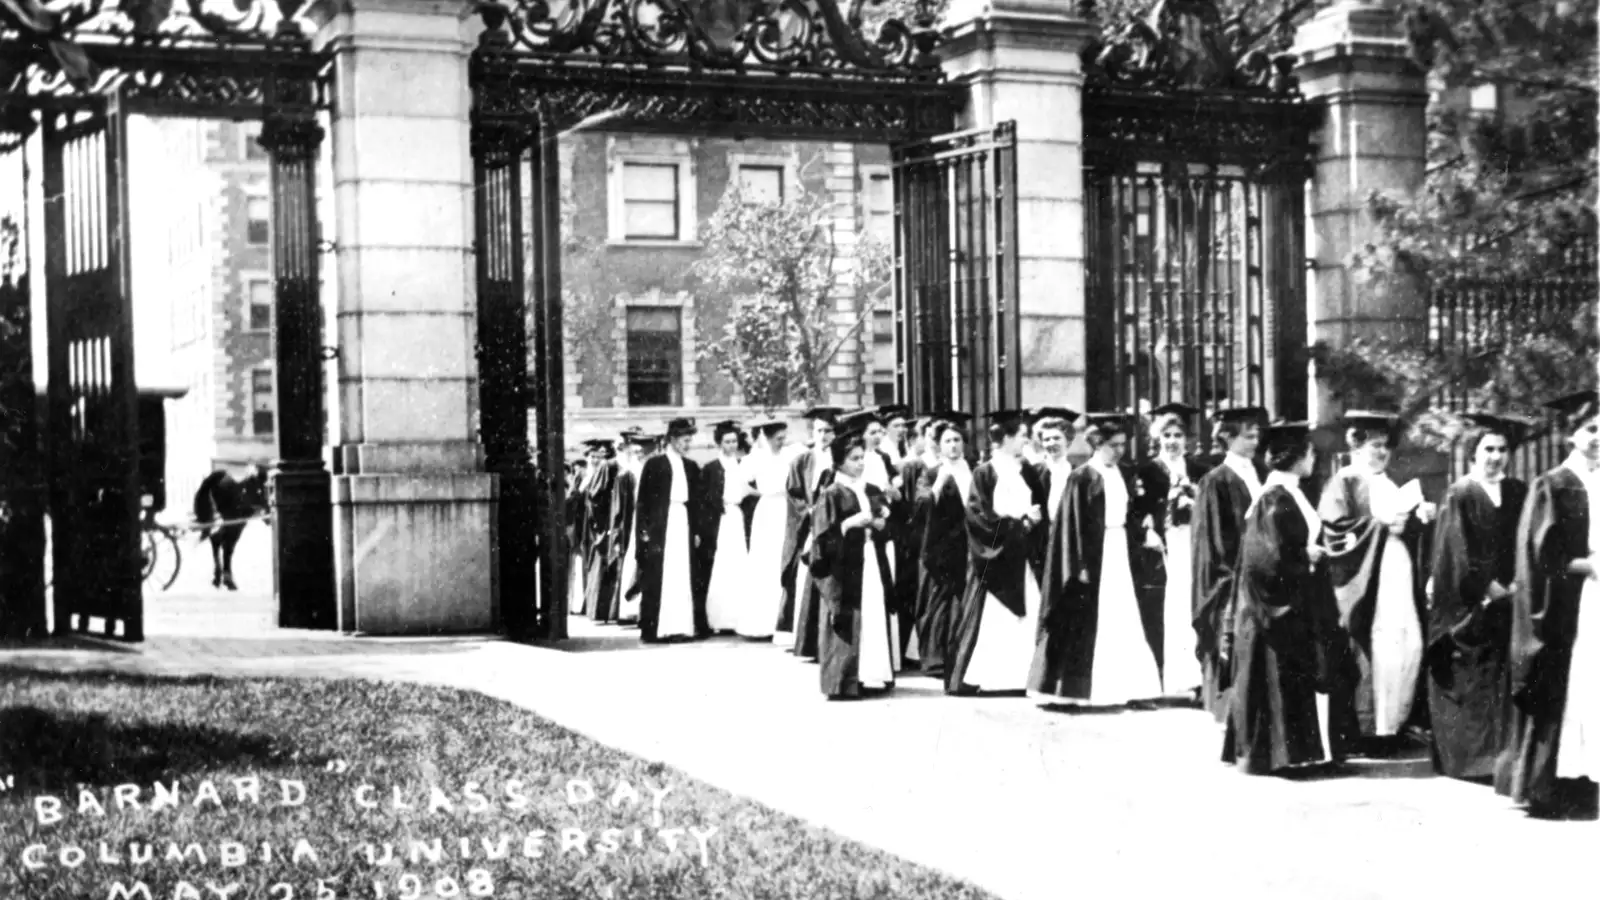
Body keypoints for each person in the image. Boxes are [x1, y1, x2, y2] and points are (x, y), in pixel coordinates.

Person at [1497, 389, 1600, 816]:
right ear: (1570, 436)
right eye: (1590, 429)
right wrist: (1589, 566)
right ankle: (1557, 781)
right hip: (1570, 604)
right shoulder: (1553, 484)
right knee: (1572, 685)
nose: (1598, 438)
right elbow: (1542, 557)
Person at [1320, 411, 1438, 756]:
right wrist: (1379, 525)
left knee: (1409, 644)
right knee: (1379, 649)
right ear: (1355, 446)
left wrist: (1419, 520)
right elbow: (1334, 532)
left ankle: (1398, 723)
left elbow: (1406, 528)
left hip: (1398, 572)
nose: (1382, 452)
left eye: (1386, 445)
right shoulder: (1344, 481)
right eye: (1374, 445)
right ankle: (1372, 730)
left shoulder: (1388, 482)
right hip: (1367, 581)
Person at [1222, 421, 1336, 775]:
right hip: (1273, 609)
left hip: (1292, 601)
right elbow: (1265, 560)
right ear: (1297, 457)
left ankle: (1291, 755)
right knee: (1273, 679)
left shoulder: (1291, 492)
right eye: (1310, 453)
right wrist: (1307, 557)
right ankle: (1273, 757)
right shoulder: (1273, 498)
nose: (1314, 459)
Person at [1030, 413, 1165, 707]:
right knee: (1088, 621)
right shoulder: (1082, 478)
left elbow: (1130, 514)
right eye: (1113, 445)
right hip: (1092, 557)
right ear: (1097, 444)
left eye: (1122, 445)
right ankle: (1071, 693)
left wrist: (1144, 532)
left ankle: (1134, 689)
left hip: (1119, 552)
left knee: (1124, 616)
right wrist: (1078, 567)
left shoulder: (1123, 473)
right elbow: (1071, 528)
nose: (1119, 451)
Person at [1427, 413, 1532, 781]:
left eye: (1502, 450)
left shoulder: (1519, 491)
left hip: (1511, 598)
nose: (1495, 457)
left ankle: (1500, 758)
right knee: (1471, 678)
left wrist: (1518, 582)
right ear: (1474, 453)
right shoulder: (1460, 494)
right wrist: (1488, 587)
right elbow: (1456, 552)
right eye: (1488, 449)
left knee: (1503, 677)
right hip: (1472, 604)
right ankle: (1469, 762)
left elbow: (1527, 541)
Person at [947, 409, 1047, 695]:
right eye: (1022, 436)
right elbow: (979, 518)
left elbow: (1040, 509)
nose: (1026, 441)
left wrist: (1034, 521)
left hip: (1023, 558)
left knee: (1028, 615)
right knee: (994, 619)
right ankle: (993, 678)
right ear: (1005, 438)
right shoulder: (985, 473)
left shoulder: (1027, 470)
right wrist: (1020, 523)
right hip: (996, 557)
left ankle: (1024, 677)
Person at [1191, 406, 1268, 723]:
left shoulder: (1261, 473)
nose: (1255, 441)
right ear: (1227, 437)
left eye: (1256, 435)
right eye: (1248, 436)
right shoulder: (1216, 481)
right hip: (1232, 577)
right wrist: (1229, 580)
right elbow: (1214, 542)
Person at [814, 414, 898, 698]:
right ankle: (844, 679)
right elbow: (823, 538)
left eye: (862, 457)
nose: (861, 463)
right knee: (849, 617)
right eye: (854, 459)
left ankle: (871, 675)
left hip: (868, 557)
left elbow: (884, 525)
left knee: (872, 613)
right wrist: (851, 523)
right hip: (845, 565)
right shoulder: (832, 493)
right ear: (839, 462)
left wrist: (878, 524)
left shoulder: (866, 489)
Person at [1137, 402, 1211, 698]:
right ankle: (1172, 678)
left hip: (1193, 542)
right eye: (1166, 435)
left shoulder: (1198, 470)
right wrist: (1148, 531)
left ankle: (1197, 676)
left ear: (1187, 439)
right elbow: (1138, 510)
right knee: (1168, 606)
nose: (1172, 441)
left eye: (1178, 435)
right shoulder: (1148, 471)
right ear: (1157, 438)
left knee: (1192, 603)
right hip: (1163, 546)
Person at [780, 406, 842, 657]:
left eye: (829, 431)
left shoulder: (841, 458)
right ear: (812, 432)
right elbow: (794, 493)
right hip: (811, 525)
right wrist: (811, 511)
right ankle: (808, 640)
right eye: (819, 431)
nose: (824, 436)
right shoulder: (803, 460)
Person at [636, 418, 704, 643]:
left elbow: (696, 503)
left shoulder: (691, 467)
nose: (687, 444)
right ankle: (657, 628)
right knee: (660, 574)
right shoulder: (655, 464)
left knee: (682, 573)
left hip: (683, 522)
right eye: (684, 440)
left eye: (689, 440)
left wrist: (696, 531)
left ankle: (682, 627)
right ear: (673, 439)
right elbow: (643, 501)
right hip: (660, 526)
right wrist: (644, 530)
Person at [916, 416, 973, 680]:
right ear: (939, 446)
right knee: (937, 604)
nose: (953, 445)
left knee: (963, 601)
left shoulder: (973, 469)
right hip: (939, 547)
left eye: (957, 440)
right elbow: (920, 505)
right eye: (947, 441)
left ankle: (959, 655)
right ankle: (935, 660)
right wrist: (938, 484)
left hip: (968, 543)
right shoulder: (930, 472)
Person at [859, 411, 906, 669]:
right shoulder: (858, 461)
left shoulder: (883, 458)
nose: (877, 437)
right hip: (871, 524)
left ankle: (891, 656)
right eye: (872, 432)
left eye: (879, 432)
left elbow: (894, 491)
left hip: (887, 524)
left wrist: (894, 494)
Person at [737, 416, 791, 640]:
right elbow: (741, 483)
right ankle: (761, 622)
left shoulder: (789, 456)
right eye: (778, 438)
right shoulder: (754, 459)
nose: (782, 442)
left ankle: (782, 620)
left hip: (786, 510)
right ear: (766, 438)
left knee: (782, 559)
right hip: (767, 509)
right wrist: (761, 493)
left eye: (783, 438)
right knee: (764, 561)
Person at [700, 420, 748, 634]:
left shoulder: (743, 465)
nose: (731, 445)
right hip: (720, 520)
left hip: (737, 517)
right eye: (727, 441)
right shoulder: (711, 468)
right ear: (719, 443)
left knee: (739, 563)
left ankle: (739, 617)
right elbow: (706, 499)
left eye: (734, 441)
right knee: (721, 565)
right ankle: (718, 619)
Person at [581, 438, 625, 623]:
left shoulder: (614, 466)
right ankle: (601, 611)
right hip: (608, 523)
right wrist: (604, 525)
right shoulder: (609, 466)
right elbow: (596, 497)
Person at [614, 431, 650, 624]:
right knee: (634, 563)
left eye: (643, 450)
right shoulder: (627, 475)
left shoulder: (650, 469)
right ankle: (630, 609)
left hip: (646, 521)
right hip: (635, 522)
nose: (639, 453)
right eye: (636, 450)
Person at [1028, 408, 1079, 525]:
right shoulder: (1033, 472)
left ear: (1068, 441)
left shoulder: (1078, 472)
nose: (1051, 443)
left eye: (1057, 438)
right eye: (1046, 439)